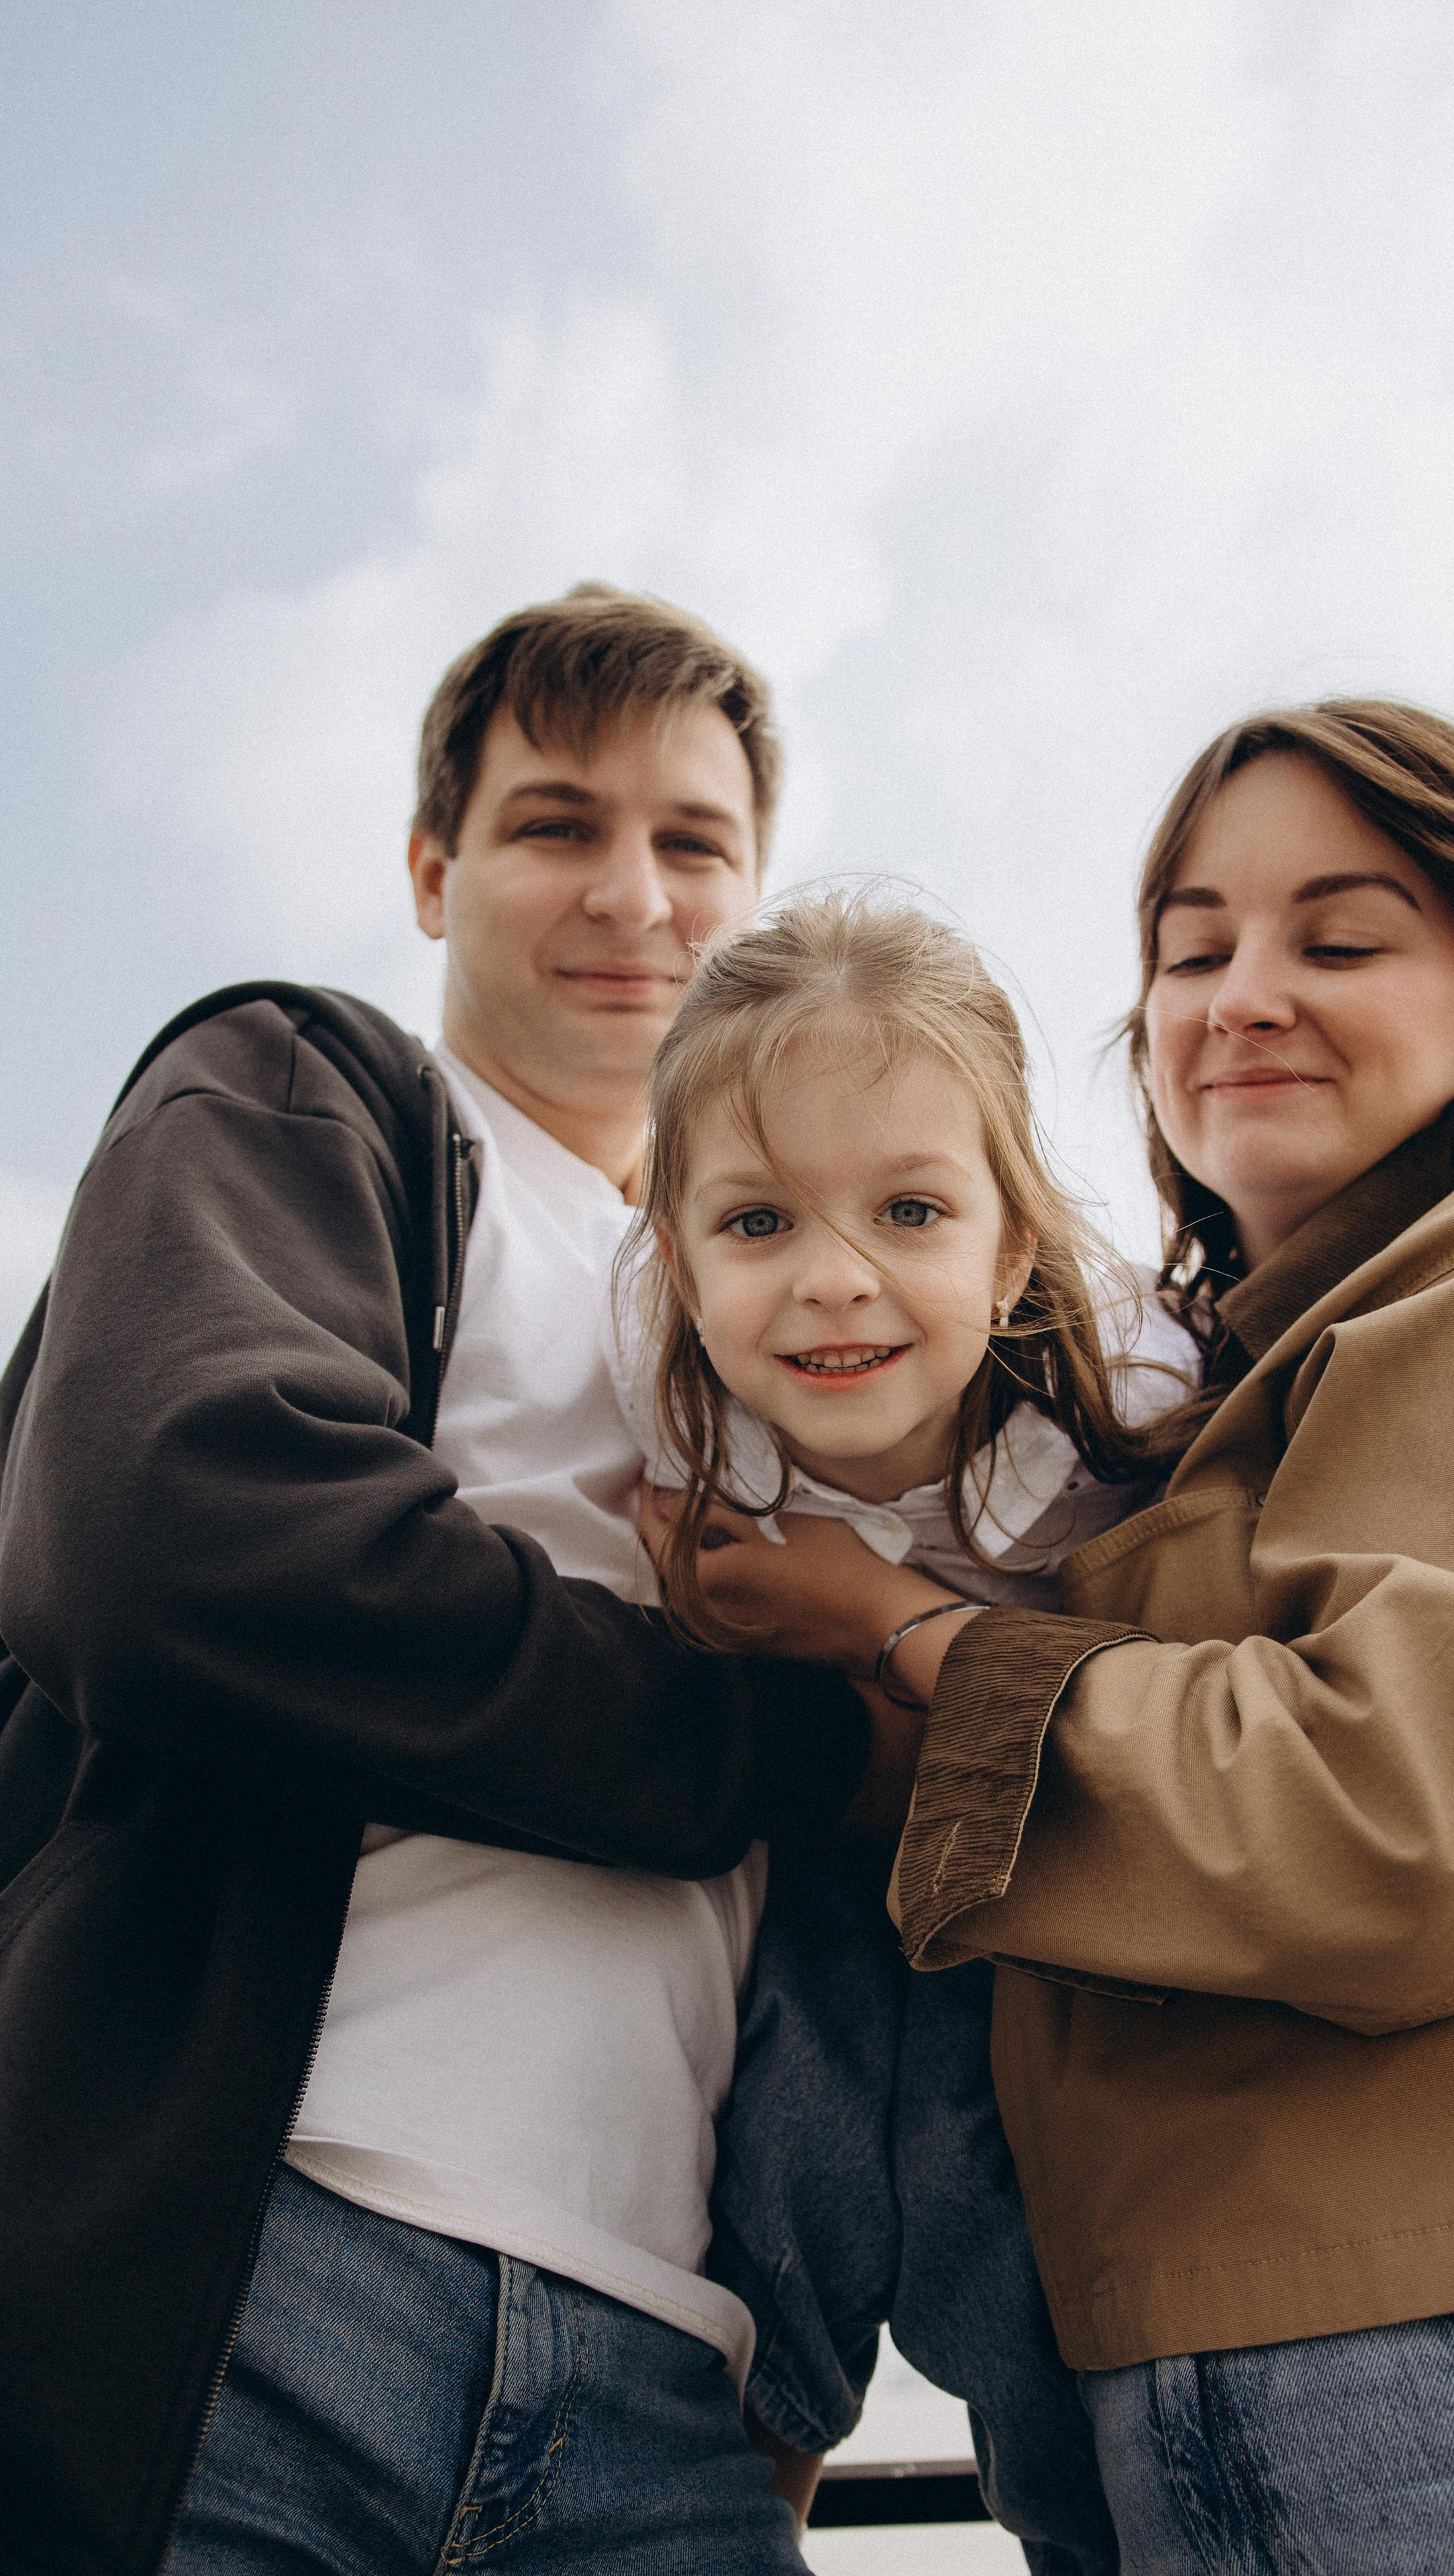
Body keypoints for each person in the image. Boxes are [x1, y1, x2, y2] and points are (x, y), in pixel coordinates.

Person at [666, 702, 1454, 2575]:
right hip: (1234, 2412)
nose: (1243, 995)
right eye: (1191, 948)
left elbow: (1399, 1823)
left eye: (1339, 937)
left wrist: (898, 1629)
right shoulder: (1224, 1394)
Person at [0, 583, 882, 2576]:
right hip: (255, 2281)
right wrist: (797, 1740)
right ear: (433, 869)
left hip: (672, 2389)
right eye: (557, 825)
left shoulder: (789, 1313)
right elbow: (185, 1545)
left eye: (693, 843)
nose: (631, 895)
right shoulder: (310, 1094)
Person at [615, 890, 1193, 2569]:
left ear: (1010, 1245)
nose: (833, 1282)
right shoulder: (642, 1375)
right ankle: (741, 2506)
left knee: (984, 2197)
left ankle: (1079, 2525)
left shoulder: (1130, 1414)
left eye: (909, 1209)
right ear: (674, 1253)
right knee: (779, 2144)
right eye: (756, 1225)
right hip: (819, 1866)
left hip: (1033, 1892)